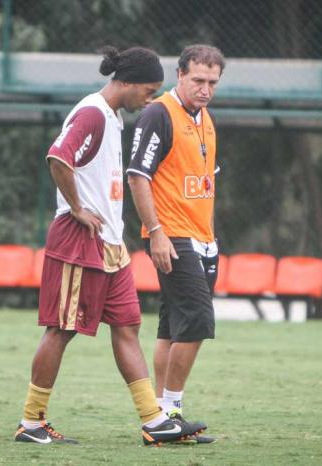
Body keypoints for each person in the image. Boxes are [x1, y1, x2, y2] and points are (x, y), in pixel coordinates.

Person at [14, 46, 204, 446]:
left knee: (128, 325)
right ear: (128, 82)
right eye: (149, 91)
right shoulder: (92, 113)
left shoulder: (113, 117)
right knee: (60, 330)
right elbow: (57, 156)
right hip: (77, 240)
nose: (150, 99)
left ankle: (154, 422)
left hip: (109, 244)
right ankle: (31, 423)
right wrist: (78, 208)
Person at [127, 44, 225, 442]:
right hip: (173, 236)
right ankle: (168, 411)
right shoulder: (158, 113)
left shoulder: (205, 117)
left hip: (203, 239)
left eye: (212, 83)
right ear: (180, 75)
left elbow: (204, 183)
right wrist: (156, 232)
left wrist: (212, 238)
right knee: (198, 322)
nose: (205, 89)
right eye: (198, 80)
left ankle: (164, 418)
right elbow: (137, 174)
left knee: (172, 326)